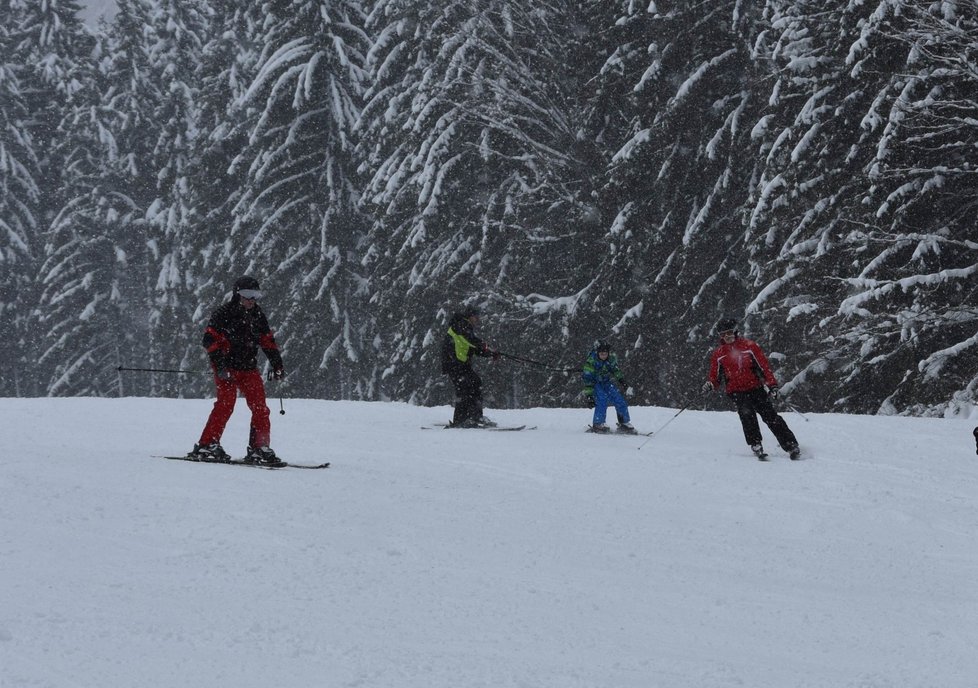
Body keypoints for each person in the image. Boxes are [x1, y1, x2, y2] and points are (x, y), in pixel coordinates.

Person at [188, 276, 286, 465]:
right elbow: (208, 340)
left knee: (261, 408)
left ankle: (259, 447)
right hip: (227, 368)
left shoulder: (258, 315)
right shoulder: (224, 313)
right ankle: (207, 444)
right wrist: (221, 366)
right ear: (237, 295)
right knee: (226, 405)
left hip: (249, 368)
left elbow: (267, 341)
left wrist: (277, 365)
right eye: (247, 295)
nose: (251, 300)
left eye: (255, 295)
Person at [703, 318, 800, 460]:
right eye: (723, 335)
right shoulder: (719, 354)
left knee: (770, 416)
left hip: (755, 388)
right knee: (747, 416)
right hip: (736, 391)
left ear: (736, 332)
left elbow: (764, 368)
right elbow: (715, 377)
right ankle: (756, 444)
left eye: (729, 333)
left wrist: (772, 385)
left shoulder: (749, 347)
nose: (727, 337)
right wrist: (711, 384)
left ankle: (790, 444)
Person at [441, 306, 500, 428]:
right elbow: (471, 340)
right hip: (454, 364)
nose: (478, 319)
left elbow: (475, 349)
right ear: (470, 316)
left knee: (473, 383)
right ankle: (462, 419)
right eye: (476, 316)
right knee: (464, 388)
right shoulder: (461, 325)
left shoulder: (465, 327)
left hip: (461, 365)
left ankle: (473, 417)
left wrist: (490, 353)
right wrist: (484, 345)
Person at [582, 341, 635, 434]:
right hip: (595, 384)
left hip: (606, 383)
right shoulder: (591, 362)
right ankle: (598, 423)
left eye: (605, 354)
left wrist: (623, 382)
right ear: (597, 353)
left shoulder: (611, 359)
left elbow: (616, 371)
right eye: (601, 354)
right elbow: (588, 380)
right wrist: (589, 396)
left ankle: (624, 422)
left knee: (619, 399)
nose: (603, 356)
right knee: (602, 400)